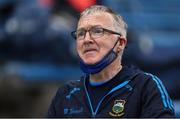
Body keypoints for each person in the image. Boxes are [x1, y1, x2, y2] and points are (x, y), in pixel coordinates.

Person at [47, 5, 175, 118]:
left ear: (120, 43)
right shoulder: (66, 94)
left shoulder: (145, 86)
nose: (86, 39)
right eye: (81, 34)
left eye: (97, 31)